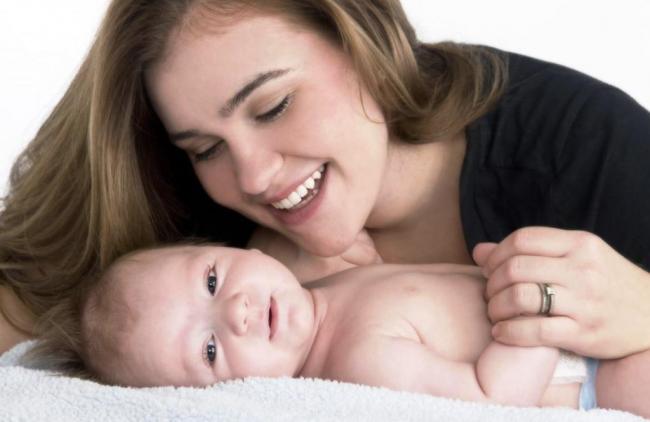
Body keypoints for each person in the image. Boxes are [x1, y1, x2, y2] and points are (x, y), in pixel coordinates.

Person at [1, 1, 649, 406]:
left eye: (273, 106)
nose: (253, 177)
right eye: (206, 148)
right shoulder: (191, 221)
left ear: (361, 37)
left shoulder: (584, 150)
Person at [40, 243, 646, 416]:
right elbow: (493, 400)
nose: (237, 312)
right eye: (209, 348)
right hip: (585, 374)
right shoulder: (359, 361)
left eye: (212, 280)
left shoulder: (324, 283)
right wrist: (537, 311)